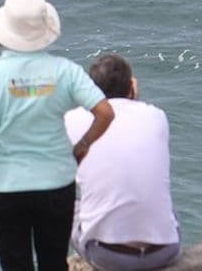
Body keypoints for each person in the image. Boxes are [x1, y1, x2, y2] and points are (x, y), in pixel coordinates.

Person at [0, 0, 115, 271]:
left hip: (5, 185)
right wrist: (82, 146)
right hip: (56, 182)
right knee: (53, 262)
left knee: (14, 263)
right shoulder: (66, 71)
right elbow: (105, 113)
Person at [64, 54, 181, 270]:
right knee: (167, 206)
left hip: (108, 257)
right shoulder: (157, 116)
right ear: (131, 87)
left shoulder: (71, 120)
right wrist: (132, 97)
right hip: (164, 252)